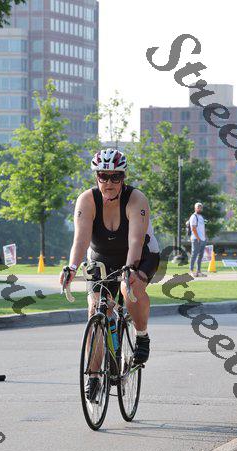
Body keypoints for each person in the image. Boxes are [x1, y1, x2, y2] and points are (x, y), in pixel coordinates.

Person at [59, 148, 160, 399]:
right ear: (97, 176)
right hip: (101, 257)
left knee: (129, 288)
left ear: (123, 177)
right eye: (103, 176)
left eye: (116, 177)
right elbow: (80, 240)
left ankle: (142, 336)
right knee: (96, 309)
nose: (109, 182)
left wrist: (129, 270)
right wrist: (72, 267)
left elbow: (136, 241)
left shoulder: (136, 199)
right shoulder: (87, 200)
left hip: (140, 254)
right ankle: (94, 376)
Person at [189, 202, 207, 277]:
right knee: (194, 255)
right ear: (195, 208)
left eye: (200, 207)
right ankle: (191, 271)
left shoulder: (201, 217)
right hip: (196, 239)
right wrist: (198, 238)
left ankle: (198, 271)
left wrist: (204, 237)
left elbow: (202, 228)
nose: (199, 209)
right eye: (198, 207)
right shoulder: (193, 216)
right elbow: (193, 228)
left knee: (200, 256)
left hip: (202, 239)